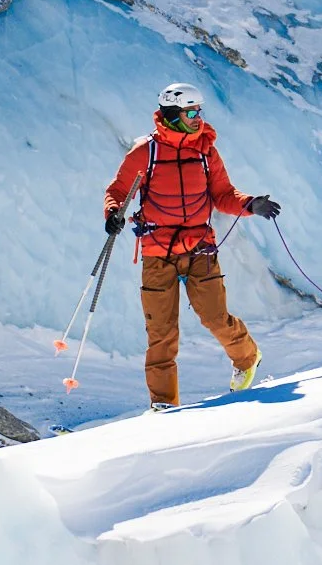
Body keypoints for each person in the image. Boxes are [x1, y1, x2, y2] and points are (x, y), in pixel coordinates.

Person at [103, 82, 281, 409]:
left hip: (200, 248)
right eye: (191, 112)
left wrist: (250, 204)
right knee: (161, 333)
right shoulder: (146, 152)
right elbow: (117, 190)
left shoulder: (206, 151)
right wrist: (113, 214)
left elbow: (224, 194)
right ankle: (164, 405)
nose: (198, 118)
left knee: (215, 317)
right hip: (157, 252)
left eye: (199, 111)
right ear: (173, 114)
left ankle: (247, 357)